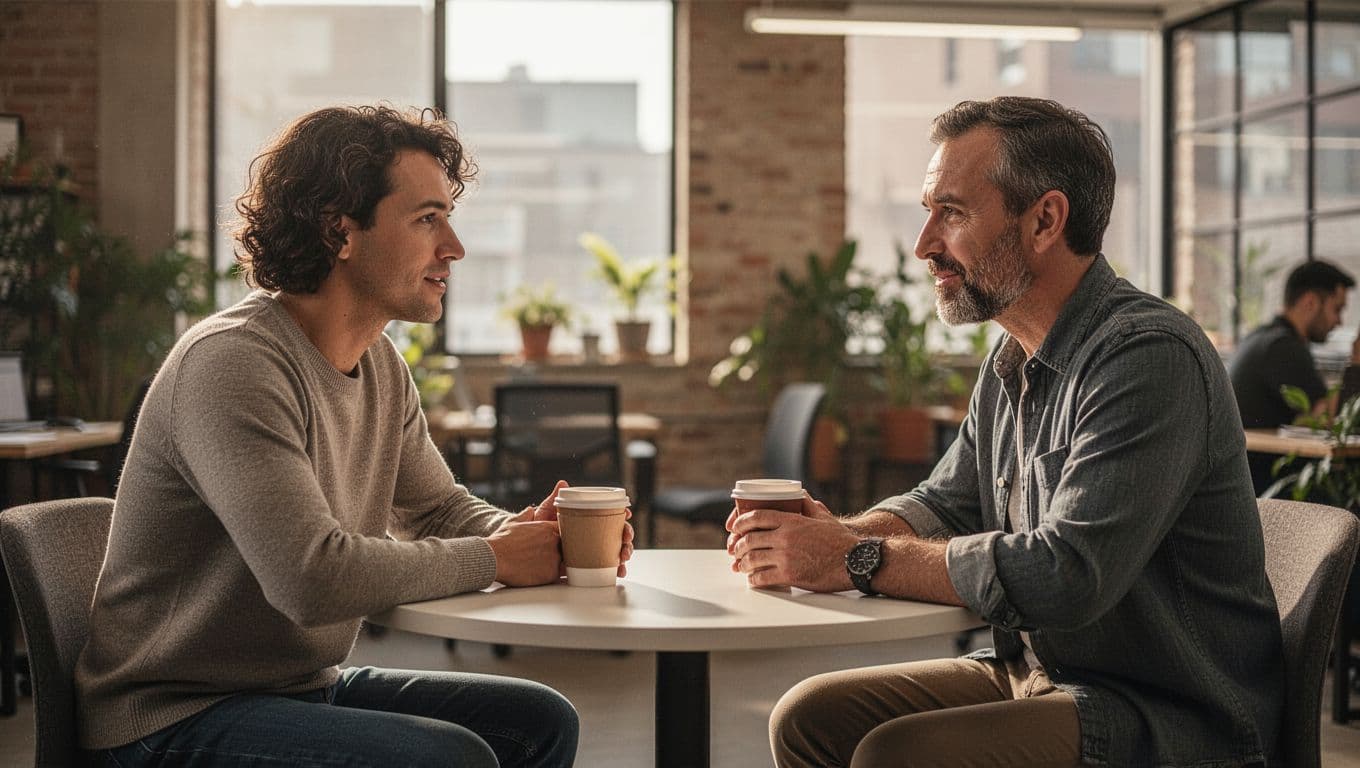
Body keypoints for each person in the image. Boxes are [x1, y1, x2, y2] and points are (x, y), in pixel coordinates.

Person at [729, 97, 1282, 767]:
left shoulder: (1148, 356)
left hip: (1167, 713)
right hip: (1041, 675)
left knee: (898, 755)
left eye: (952, 213)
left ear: (1045, 219)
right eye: (929, 211)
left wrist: (852, 560)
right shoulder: (1012, 355)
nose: (924, 244)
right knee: (810, 718)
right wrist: (846, 534)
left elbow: (1067, 575)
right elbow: (945, 503)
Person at [75, 105, 631, 767]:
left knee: (539, 720)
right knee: (446, 758)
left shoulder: (380, 365)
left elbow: (437, 509)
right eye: (427, 219)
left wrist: (531, 534)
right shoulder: (233, 363)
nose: (454, 248)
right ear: (340, 231)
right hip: (169, 716)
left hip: (295, 690)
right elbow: (309, 578)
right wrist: (498, 559)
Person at [1227, 259, 1357, 494]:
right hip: (1264, 484)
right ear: (1310, 302)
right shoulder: (1282, 347)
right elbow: (1327, 419)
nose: (1339, 321)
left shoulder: (1260, 338)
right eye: (1336, 309)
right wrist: (1356, 364)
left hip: (1245, 481)